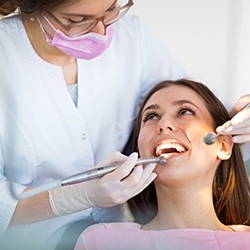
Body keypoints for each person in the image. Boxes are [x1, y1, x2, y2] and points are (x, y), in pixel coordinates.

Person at [0, 0, 249, 249]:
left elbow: (201, 108)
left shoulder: (132, 39)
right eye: (76, 20)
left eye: (110, 11)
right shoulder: (101, 241)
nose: (101, 34)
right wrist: (72, 197)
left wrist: (240, 117)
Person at [74, 79, 250, 250]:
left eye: (185, 112)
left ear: (224, 145)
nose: (163, 124)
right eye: (151, 116)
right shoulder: (101, 242)